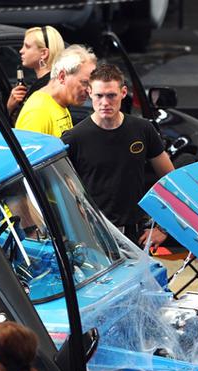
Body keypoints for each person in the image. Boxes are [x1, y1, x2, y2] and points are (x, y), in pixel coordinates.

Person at [63, 64, 174, 246]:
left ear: (123, 93)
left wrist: (164, 228)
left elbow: (171, 180)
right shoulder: (74, 138)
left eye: (111, 95)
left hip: (135, 234)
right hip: (93, 236)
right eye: (99, 95)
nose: (105, 102)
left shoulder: (143, 129)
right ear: (89, 93)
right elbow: (60, 189)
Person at [15, 44, 96, 138]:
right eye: (84, 82)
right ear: (62, 77)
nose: (90, 90)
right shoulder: (38, 112)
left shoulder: (60, 104)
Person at [6, 26, 65, 119]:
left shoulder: (44, 89)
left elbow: (27, 123)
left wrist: (10, 108)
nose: (21, 51)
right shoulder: (54, 82)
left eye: (27, 46)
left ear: (44, 53)